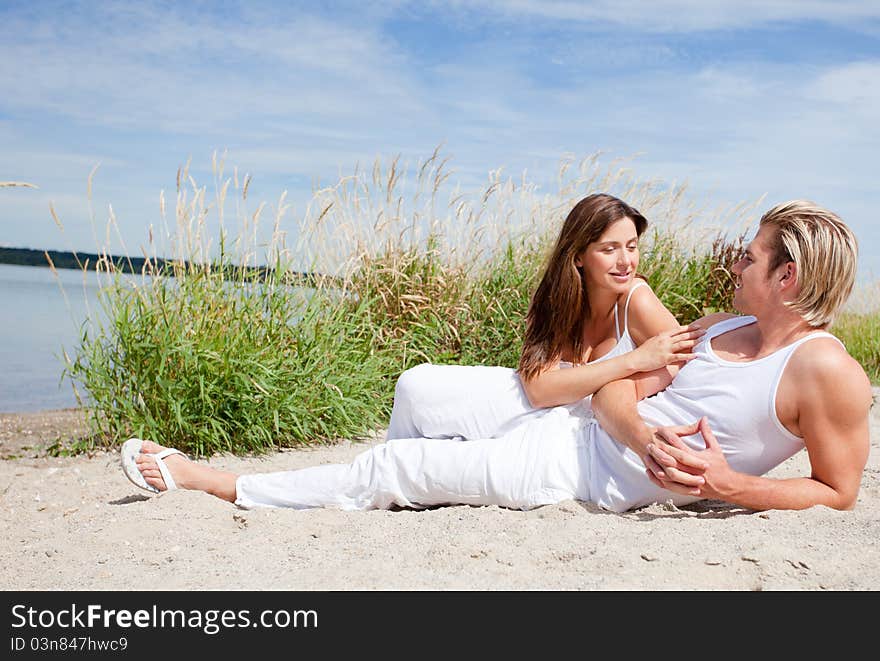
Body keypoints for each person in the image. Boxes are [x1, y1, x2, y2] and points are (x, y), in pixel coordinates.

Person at [121, 200, 873, 513]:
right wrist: (642, 431)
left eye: (750, 258)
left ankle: (207, 479)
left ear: (788, 277)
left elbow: (838, 493)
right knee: (418, 428)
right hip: (582, 433)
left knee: (396, 467)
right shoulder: (715, 327)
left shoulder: (827, 370)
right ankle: (357, 494)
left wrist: (728, 481)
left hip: (581, 475)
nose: (734, 267)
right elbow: (618, 394)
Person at [386, 192, 702, 443]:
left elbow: (690, 366)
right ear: (578, 256)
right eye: (609, 249)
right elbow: (538, 390)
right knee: (415, 386)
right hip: (530, 409)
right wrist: (634, 360)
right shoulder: (555, 299)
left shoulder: (637, 300)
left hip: (574, 429)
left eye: (632, 247)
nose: (626, 261)